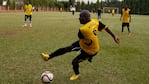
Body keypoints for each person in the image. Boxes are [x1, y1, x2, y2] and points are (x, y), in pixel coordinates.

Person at [40, 10, 120, 81]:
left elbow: (81, 36)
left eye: (80, 16)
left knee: (74, 61)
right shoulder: (95, 21)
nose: (79, 18)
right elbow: (106, 28)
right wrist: (114, 36)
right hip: (85, 43)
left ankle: (77, 74)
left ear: (85, 18)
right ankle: (48, 57)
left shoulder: (83, 30)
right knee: (66, 49)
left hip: (90, 51)